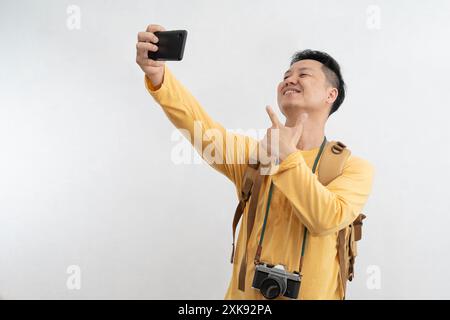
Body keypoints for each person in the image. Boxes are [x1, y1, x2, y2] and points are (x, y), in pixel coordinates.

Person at [136, 24, 374, 300]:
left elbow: (325, 219)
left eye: (303, 74)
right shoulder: (255, 156)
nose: (290, 79)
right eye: (286, 75)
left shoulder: (353, 168)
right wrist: (160, 78)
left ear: (330, 95)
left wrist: (288, 156)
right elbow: (201, 129)